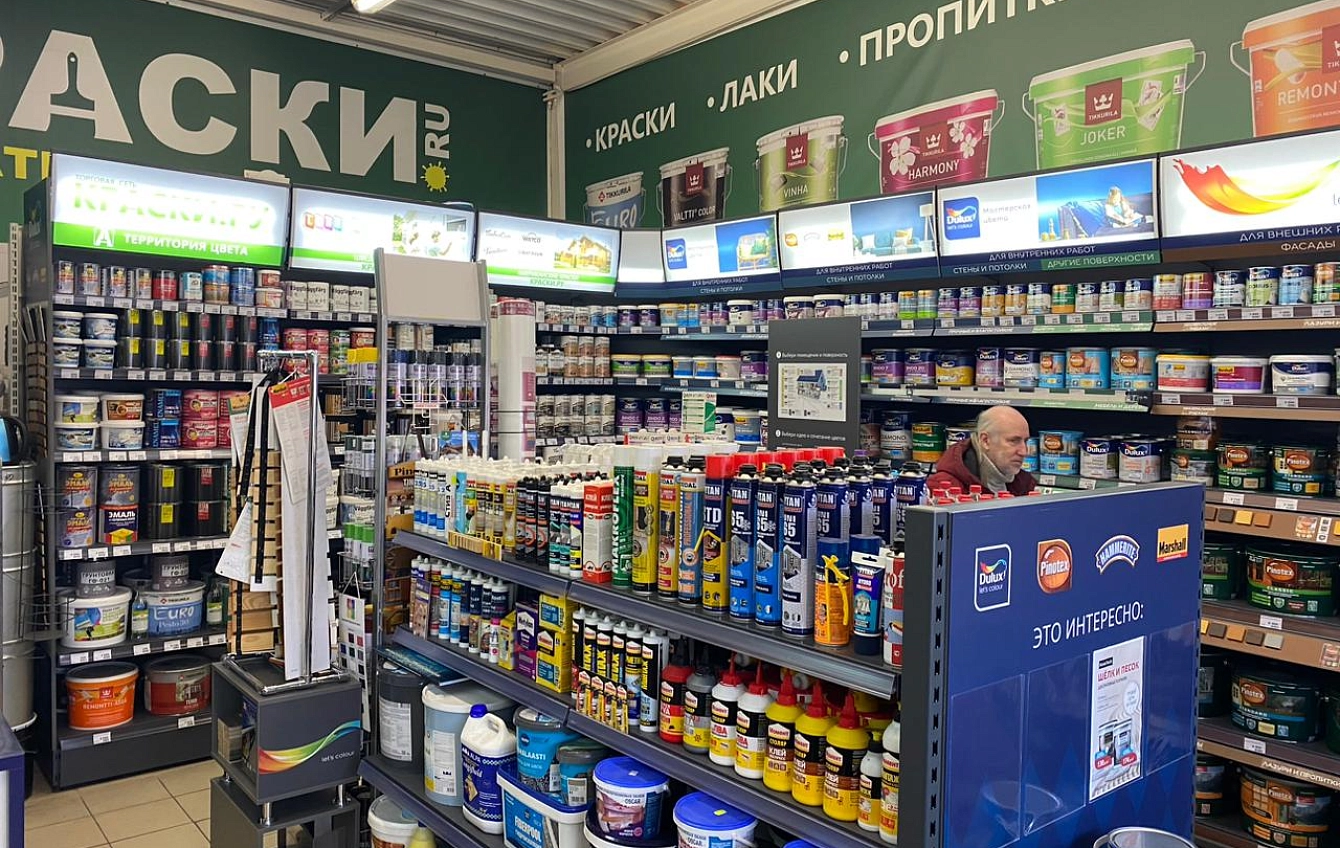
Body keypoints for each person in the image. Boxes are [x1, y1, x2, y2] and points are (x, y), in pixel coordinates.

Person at [926, 405, 1037, 496]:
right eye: (1013, 441)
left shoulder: (1024, 483)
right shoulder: (943, 488)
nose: (1024, 452)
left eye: (1025, 441)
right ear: (985, 441)